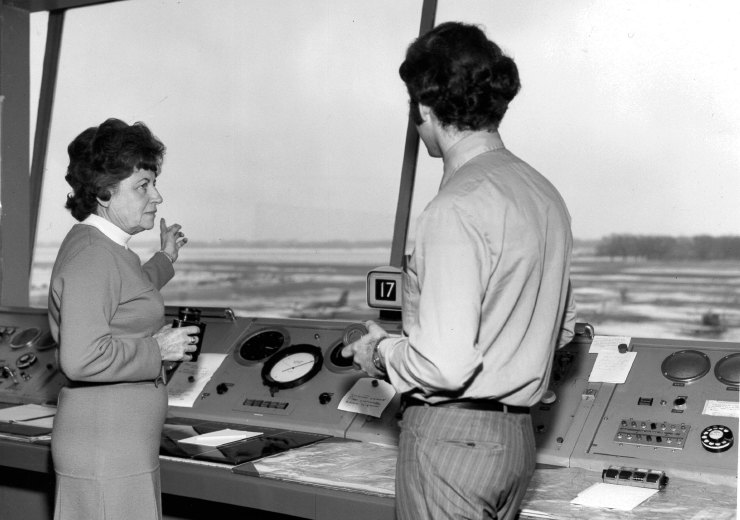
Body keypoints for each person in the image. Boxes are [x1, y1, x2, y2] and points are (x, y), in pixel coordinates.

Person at [343, 22, 576, 519]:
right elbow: (564, 330)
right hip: (515, 442)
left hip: (452, 442)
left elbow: (445, 365)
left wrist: (379, 352)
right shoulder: (543, 194)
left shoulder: (455, 208)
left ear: (424, 108)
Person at [48, 118, 198, 520]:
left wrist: (165, 259)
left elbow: (130, 292)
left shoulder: (103, 248)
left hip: (119, 444)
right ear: (103, 192)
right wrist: (156, 349)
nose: (157, 197)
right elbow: (80, 358)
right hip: (105, 449)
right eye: (143, 186)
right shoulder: (94, 257)